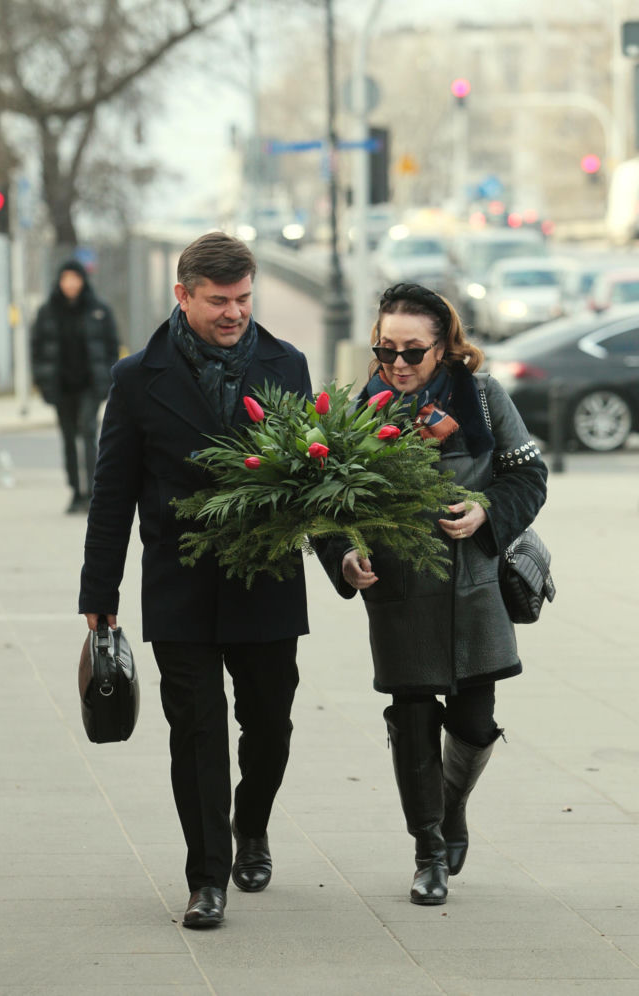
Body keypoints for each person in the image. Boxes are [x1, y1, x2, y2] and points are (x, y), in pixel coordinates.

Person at [78, 232, 312, 929]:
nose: (235, 312)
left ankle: (255, 826)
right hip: (179, 585)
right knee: (198, 732)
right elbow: (112, 493)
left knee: (268, 723)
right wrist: (99, 594)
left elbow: (314, 480)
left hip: (267, 583)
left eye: (244, 298)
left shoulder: (286, 366)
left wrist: (345, 558)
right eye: (219, 301)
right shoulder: (136, 377)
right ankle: (206, 877)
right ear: (183, 296)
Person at [319, 282, 547, 907]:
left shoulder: (482, 396)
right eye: (385, 349)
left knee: (474, 722)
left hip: (475, 589)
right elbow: (323, 502)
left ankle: (449, 807)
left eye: (412, 351)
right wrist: (344, 554)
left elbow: (529, 473)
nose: (397, 364)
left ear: (443, 345)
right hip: (398, 592)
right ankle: (428, 854)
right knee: (413, 719)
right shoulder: (358, 408)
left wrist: (486, 512)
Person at [31, 259, 119, 513]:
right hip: (61, 386)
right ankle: (75, 490)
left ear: (83, 281)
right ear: (59, 282)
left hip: (90, 385)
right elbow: (36, 349)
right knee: (69, 438)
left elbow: (112, 345)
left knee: (89, 432)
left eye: (75, 278)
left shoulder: (99, 309)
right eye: (65, 279)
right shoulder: (47, 311)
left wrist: (109, 378)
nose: (70, 284)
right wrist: (41, 380)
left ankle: (92, 491)